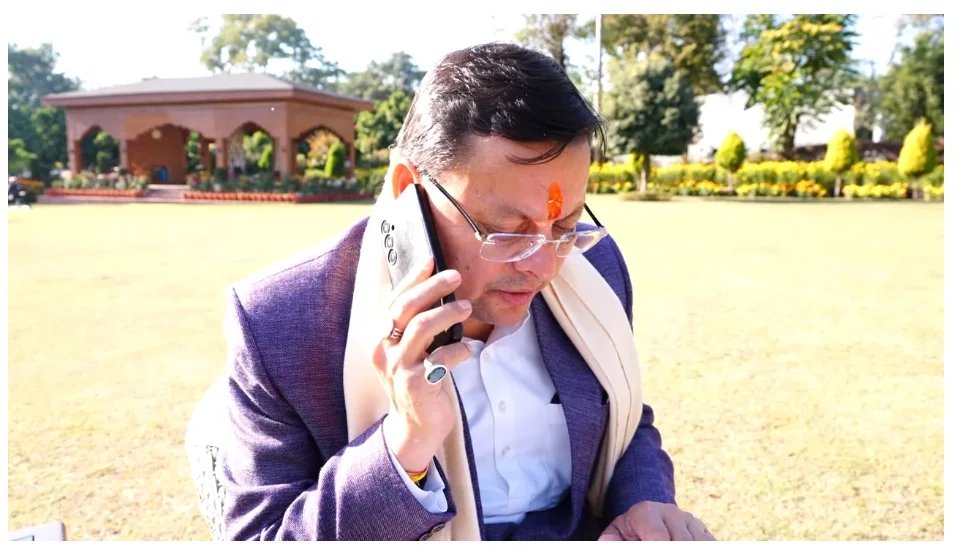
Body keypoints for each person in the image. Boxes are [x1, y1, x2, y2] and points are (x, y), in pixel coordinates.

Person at [218, 42, 714, 541]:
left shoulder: (595, 272)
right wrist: (403, 447)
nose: (544, 267)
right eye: (506, 231)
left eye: (565, 224)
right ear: (408, 188)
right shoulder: (279, 321)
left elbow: (622, 419)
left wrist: (643, 504)